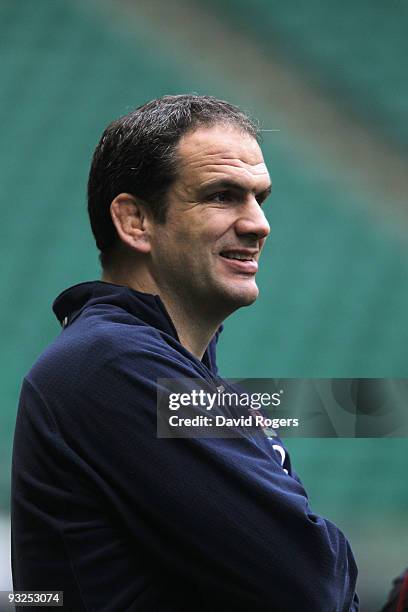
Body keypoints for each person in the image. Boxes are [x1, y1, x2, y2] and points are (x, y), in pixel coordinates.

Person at [11, 94, 359, 611]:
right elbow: (311, 587)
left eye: (260, 198)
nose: (258, 223)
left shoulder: (153, 367)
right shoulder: (115, 364)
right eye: (223, 195)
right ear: (135, 222)